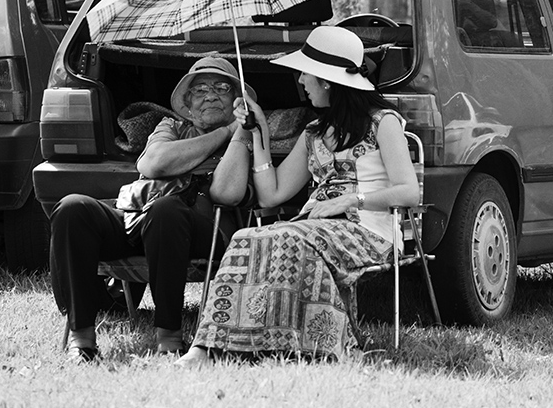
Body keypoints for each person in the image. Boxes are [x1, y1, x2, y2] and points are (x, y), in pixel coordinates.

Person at [176, 26, 419, 367]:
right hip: (314, 227)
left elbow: (410, 191)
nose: (301, 82)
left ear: (327, 81)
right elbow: (272, 194)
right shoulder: (314, 134)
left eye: (306, 74)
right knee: (247, 237)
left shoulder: (383, 123)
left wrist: (349, 200)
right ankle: (208, 347)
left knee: (292, 236)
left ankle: (326, 344)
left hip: (370, 230)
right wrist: (257, 130)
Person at [50, 57, 257, 362]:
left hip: (203, 228)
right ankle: (82, 341)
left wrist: (235, 132)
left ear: (237, 98)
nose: (210, 95)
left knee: (167, 210)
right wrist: (220, 135)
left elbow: (226, 192)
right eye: (199, 90)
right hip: (140, 215)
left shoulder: (247, 134)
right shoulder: (171, 125)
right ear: (187, 103)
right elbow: (153, 163)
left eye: (222, 88)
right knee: (73, 208)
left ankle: (169, 338)